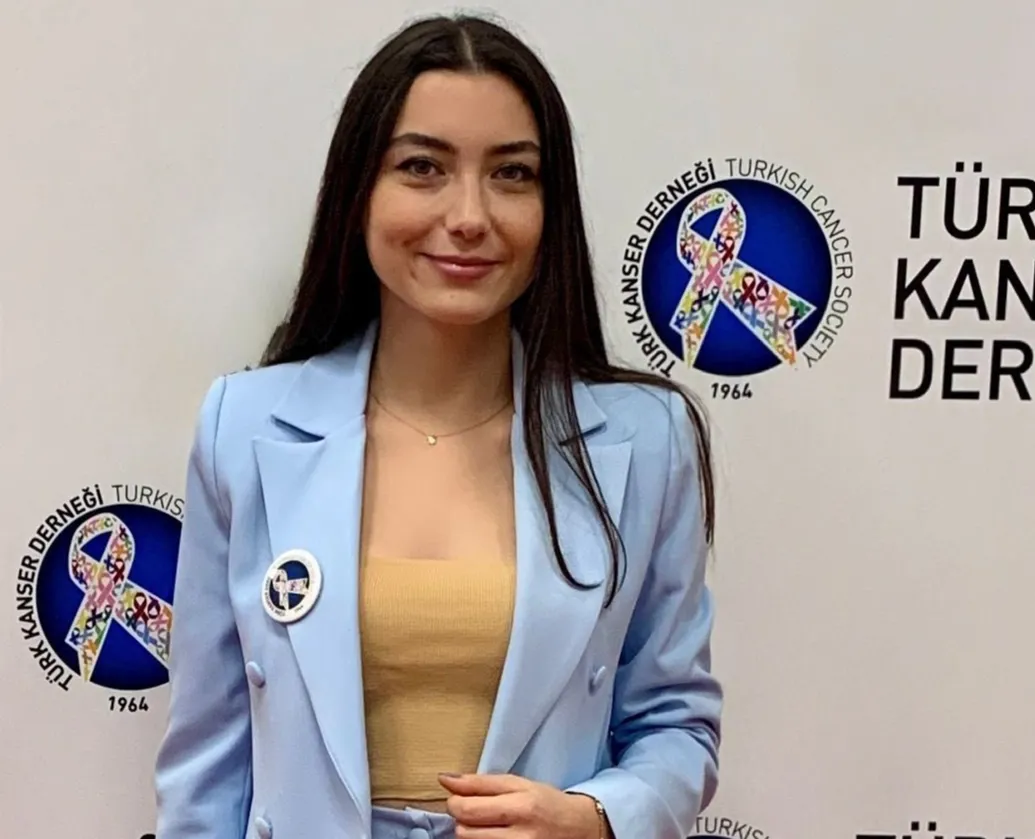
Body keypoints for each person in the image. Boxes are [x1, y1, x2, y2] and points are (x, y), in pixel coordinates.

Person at [152, 12, 722, 839]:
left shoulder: (648, 439)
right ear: (359, 191)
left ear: (551, 206)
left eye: (512, 174)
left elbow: (676, 721)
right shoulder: (241, 428)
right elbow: (205, 763)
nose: (468, 215)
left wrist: (599, 816)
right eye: (422, 167)